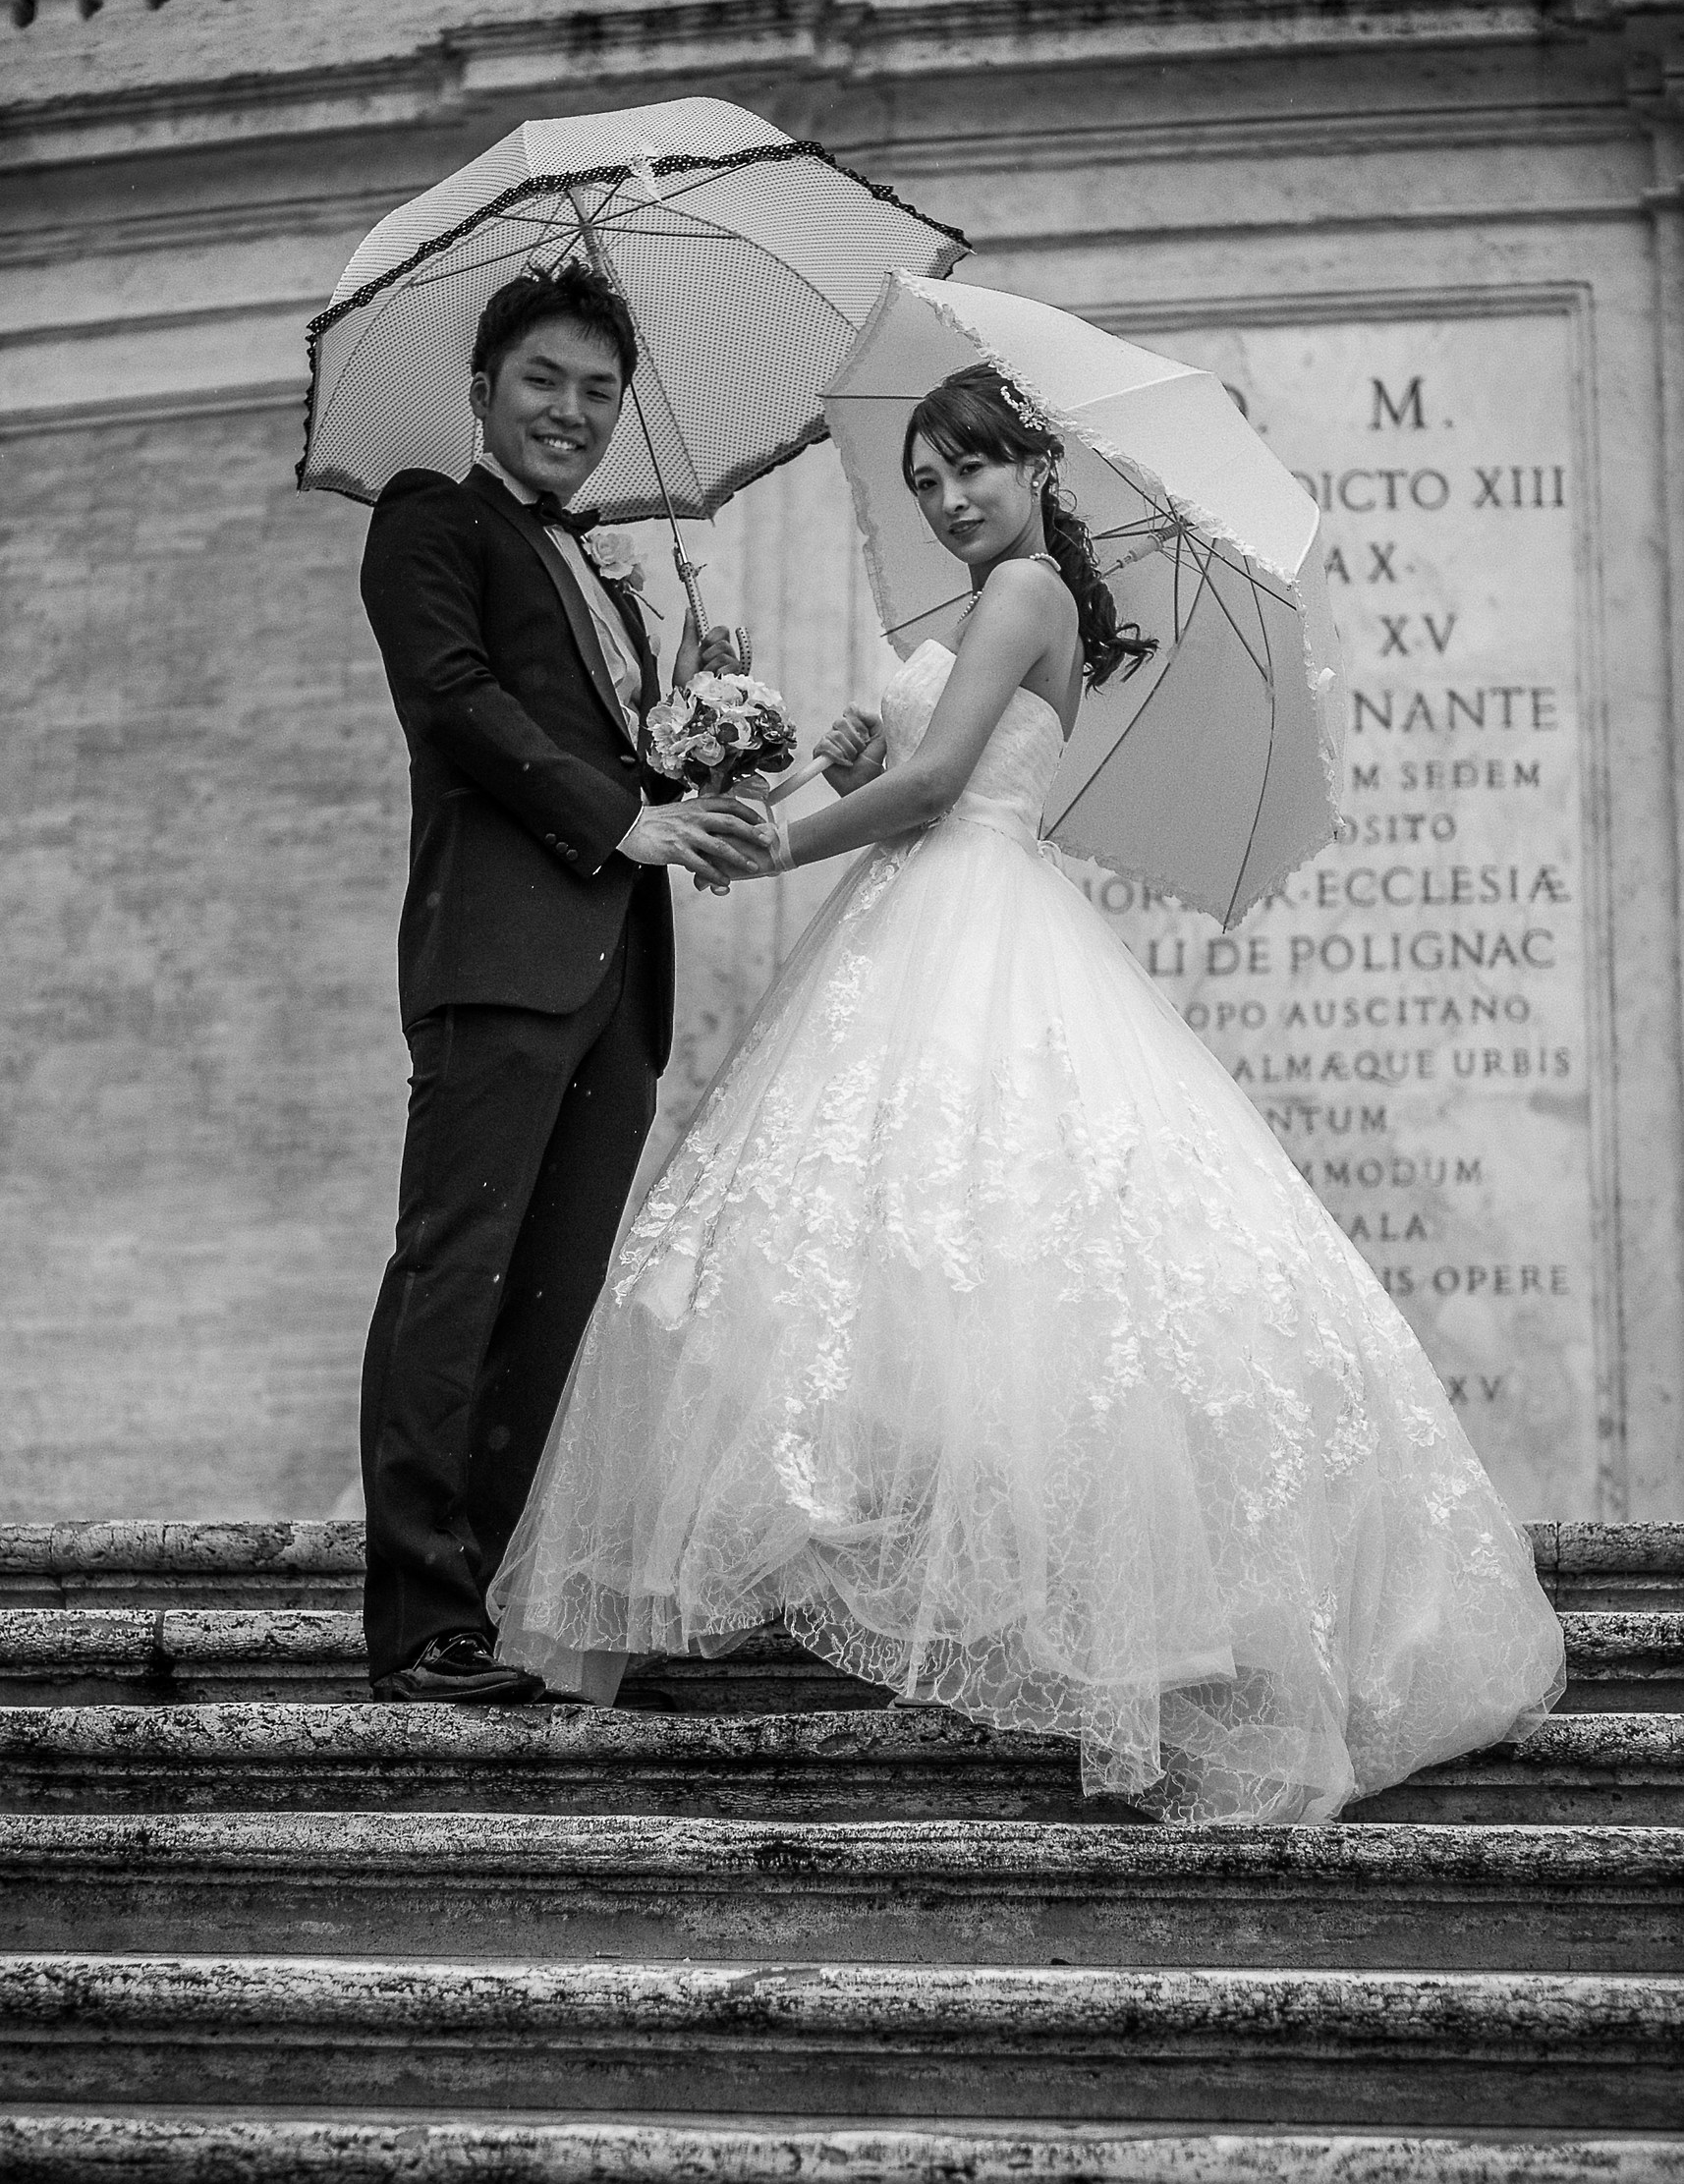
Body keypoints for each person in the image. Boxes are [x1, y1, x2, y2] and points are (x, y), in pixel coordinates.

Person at [489, 363, 1564, 1820]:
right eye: (926, 480)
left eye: (969, 471)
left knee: (963, 1241)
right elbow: (921, 762)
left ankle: (1060, 1606)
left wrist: (769, 844)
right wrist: (835, 758)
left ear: (1030, 467)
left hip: (965, 910)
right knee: (894, 1253)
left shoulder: (1024, 594)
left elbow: (940, 792)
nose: (944, 500)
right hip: (920, 915)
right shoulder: (989, 610)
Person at [358, 264, 771, 1704]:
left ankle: (492, 1594)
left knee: (552, 1294)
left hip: (617, 980)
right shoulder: (430, 520)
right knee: (454, 1276)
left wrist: (704, 738)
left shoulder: (598, 563)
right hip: (499, 960)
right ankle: (419, 1622)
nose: (573, 413)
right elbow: (459, 703)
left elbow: (625, 760)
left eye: (600, 392)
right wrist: (618, 818)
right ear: (483, 393)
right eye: (545, 381)